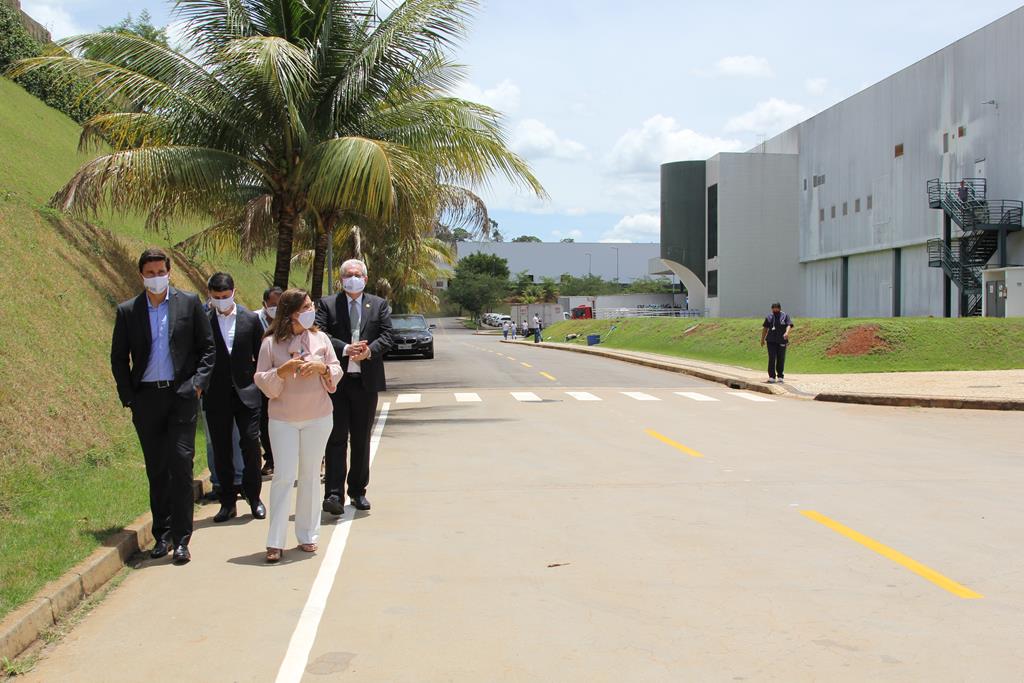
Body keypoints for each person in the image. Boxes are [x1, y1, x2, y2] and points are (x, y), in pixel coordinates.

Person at [111, 248, 215, 565]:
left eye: (161, 272)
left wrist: (197, 385)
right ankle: (163, 534)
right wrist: (130, 397)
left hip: (181, 396)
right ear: (141, 276)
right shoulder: (128, 311)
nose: (156, 278)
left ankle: (182, 540)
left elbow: (207, 348)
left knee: (181, 465)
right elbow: (119, 358)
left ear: (169, 273)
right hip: (146, 399)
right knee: (157, 469)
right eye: (150, 273)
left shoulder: (189, 303)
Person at [254, 289, 342, 563]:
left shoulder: (321, 338)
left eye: (311, 306)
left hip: (318, 416)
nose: (310, 311)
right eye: (305, 307)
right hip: (284, 419)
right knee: (283, 476)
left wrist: (322, 369)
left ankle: (308, 534)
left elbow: (335, 369)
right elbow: (261, 379)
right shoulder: (270, 344)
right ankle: (275, 541)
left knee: (310, 475)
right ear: (291, 313)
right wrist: (281, 371)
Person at [315, 258, 393, 515]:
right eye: (348, 275)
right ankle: (333, 494)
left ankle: (358, 491)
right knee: (336, 437)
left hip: (366, 383)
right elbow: (320, 334)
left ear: (365, 279)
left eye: (357, 274)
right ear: (341, 279)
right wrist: (346, 348)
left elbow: (387, 335)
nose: (353, 278)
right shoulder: (327, 304)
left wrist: (369, 351)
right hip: (337, 383)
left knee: (361, 439)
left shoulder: (379, 305)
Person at [204, 273, 267, 523]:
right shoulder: (204, 320)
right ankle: (227, 502)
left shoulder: (250, 319)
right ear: (210, 295)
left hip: (247, 393)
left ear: (234, 292)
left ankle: (254, 497)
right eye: (216, 297)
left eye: (225, 296)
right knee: (221, 449)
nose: (221, 301)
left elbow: (261, 354)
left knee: (250, 443)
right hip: (216, 394)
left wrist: (259, 382)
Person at [257, 286, 283, 475]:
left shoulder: (293, 321)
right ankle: (270, 459)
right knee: (264, 421)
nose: (276, 309)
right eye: (273, 305)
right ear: (264, 304)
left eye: (280, 305)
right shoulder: (254, 320)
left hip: (285, 379)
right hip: (264, 378)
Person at [760, 302, 794, 384]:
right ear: (771, 309)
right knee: (772, 358)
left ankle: (780, 376)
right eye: (773, 308)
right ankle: (772, 377)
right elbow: (765, 328)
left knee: (781, 358)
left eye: (776, 308)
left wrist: (787, 333)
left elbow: (789, 325)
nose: (775, 310)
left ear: (780, 308)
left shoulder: (785, 316)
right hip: (771, 341)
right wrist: (762, 339)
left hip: (782, 340)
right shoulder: (769, 317)